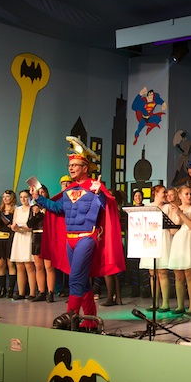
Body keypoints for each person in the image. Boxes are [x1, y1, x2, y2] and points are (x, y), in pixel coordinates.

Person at [31, 139, 124, 329]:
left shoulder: (94, 187)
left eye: (75, 165)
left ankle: (70, 317)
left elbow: (107, 207)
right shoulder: (69, 191)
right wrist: (38, 199)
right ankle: (90, 320)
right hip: (70, 240)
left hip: (87, 239)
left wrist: (99, 194)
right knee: (83, 281)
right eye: (70, 165)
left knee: (75, 279)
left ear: (85, 168)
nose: (71, 168)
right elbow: (57, 209)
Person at [167, 186, 191, 315]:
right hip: (179, 240)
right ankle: (180, 305)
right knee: (178, 276)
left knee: (189, 275)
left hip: (189, 239)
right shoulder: (175, 209)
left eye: (190, 194)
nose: (189, 196)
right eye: (186, 194)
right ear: (180, 196)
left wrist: (181, 214)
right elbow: (172, 231)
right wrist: (177, 217)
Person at [139, 185, 173, 312]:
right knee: (152, 273)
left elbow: (172, 224)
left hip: (163, 238)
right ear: (156, 193)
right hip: (151, 239)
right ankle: (155, 302)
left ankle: (165, 303)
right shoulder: (148, 207)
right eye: (163, 192)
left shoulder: (168, 207)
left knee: (162, 272)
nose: (165, 194)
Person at [27, 185, 55, 302]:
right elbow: (29, 224)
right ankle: (41, 292)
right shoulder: (33, 208)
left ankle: (51, 292)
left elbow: (52, 221)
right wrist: (35, 214)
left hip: (47, 236)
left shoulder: (51, 206)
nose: (40, 194)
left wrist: (42, 213)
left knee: (49, 266)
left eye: (42, 192)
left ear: (46, 193)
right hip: (36, 237)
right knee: (38, 266)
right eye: (38, 192)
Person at [10, 190, 36, 300]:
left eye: (25, 197)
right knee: (19, 266)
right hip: (19, 238)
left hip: (28, 237)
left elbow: (32, 226)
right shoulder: (17, 209)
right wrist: (14, 227)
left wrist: (22, 228)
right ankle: (21, 292)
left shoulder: (32, 209)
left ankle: (32, 293)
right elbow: (13, 224)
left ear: (30, 197)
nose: (23, 199)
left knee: (29, 266)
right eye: (21, 197)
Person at [0, 190, 17, 297]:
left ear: (12, 198)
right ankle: (2, 288)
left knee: (11, 264)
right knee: (0, 265)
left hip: (10, 239)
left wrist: (1, 215)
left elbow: (10, 224)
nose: (5, 199)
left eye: (7, 196)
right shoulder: (0, 210)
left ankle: (11, 289)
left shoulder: (16, 210)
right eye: (3, 197)